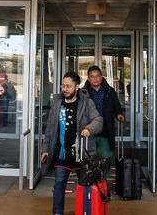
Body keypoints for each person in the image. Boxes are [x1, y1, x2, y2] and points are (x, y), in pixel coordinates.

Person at [41, 71, 103, 215]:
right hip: (61, 153)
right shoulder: (57, 103)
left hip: (81, 155)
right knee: (58, 186)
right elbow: (50, 128)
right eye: (63, 86)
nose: (65, 89)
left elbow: (98, 121)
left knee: (86, 186)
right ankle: (57, 213)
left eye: (69, 86)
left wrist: (89, 128)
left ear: (76, 87)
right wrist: (45, 149)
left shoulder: (86, 102)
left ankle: (85, 212)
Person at [85, 66, 124, 165]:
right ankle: (91, 174)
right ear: (88, 79)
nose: (95, 79)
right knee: (89, 153)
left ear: (102, 77)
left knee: (105, 154)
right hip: (89, 126)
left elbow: (116, 104)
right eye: (92, 76)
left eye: (97, 76)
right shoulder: (83, 93)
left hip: (106, 125)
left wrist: (119, 113)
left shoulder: (109, 90)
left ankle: (103, 174)